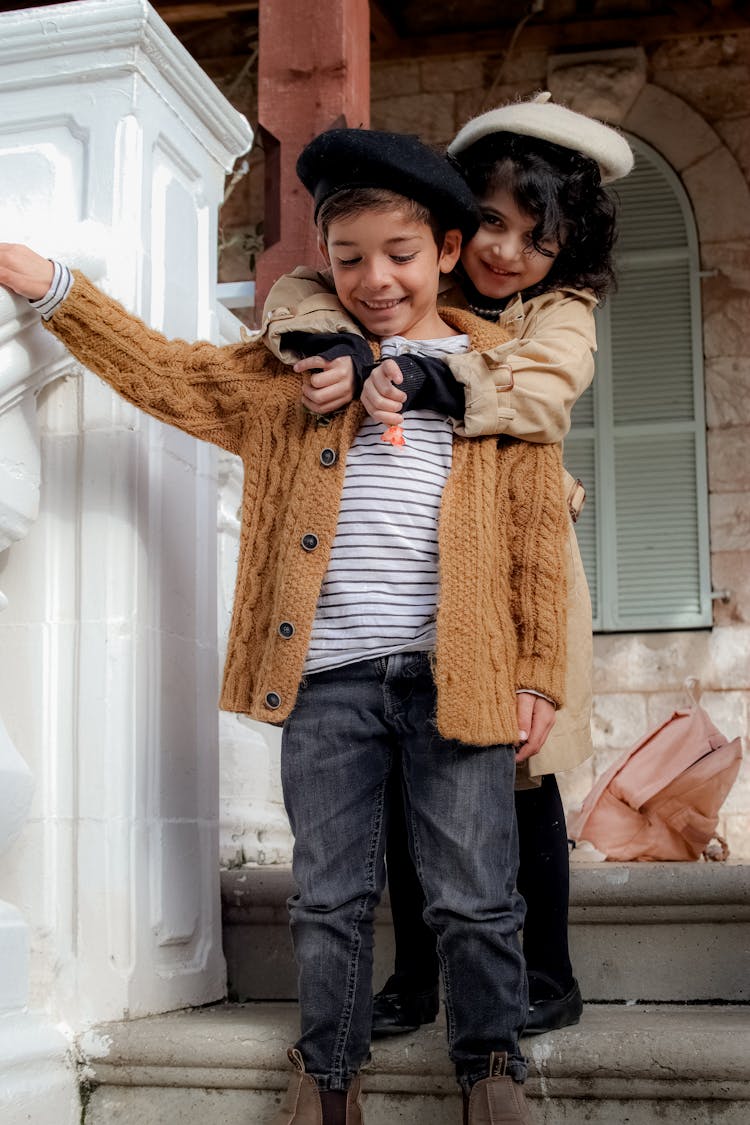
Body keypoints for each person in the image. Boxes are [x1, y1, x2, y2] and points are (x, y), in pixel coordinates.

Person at [0, 126, 572, 1125]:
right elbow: (169, 376)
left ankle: (489, 1069)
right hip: (329, 683)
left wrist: (541, 671)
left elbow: (533, 541)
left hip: (461, 673)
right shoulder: (292, 373)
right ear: (326, 264)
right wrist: (55, 288)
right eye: (349, 259)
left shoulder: (503, 382)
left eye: (400, 254)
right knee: (328, 899)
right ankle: (328, 1074)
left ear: (446, 250)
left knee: (476, 894)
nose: (375, 279)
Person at [259, 93, 634, 1038]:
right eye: (495, 224)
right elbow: (307, 288)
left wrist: (431, 375)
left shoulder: (563, 314)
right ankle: (417, 973)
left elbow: (542, 397)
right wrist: (339, 343)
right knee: (404, 775)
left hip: (522, 570)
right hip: (415, 590)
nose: (510, 252)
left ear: (568, 247)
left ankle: (544, 970)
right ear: (460, 228)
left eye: (537, 236)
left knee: (520, 768)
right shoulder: (425, 284)